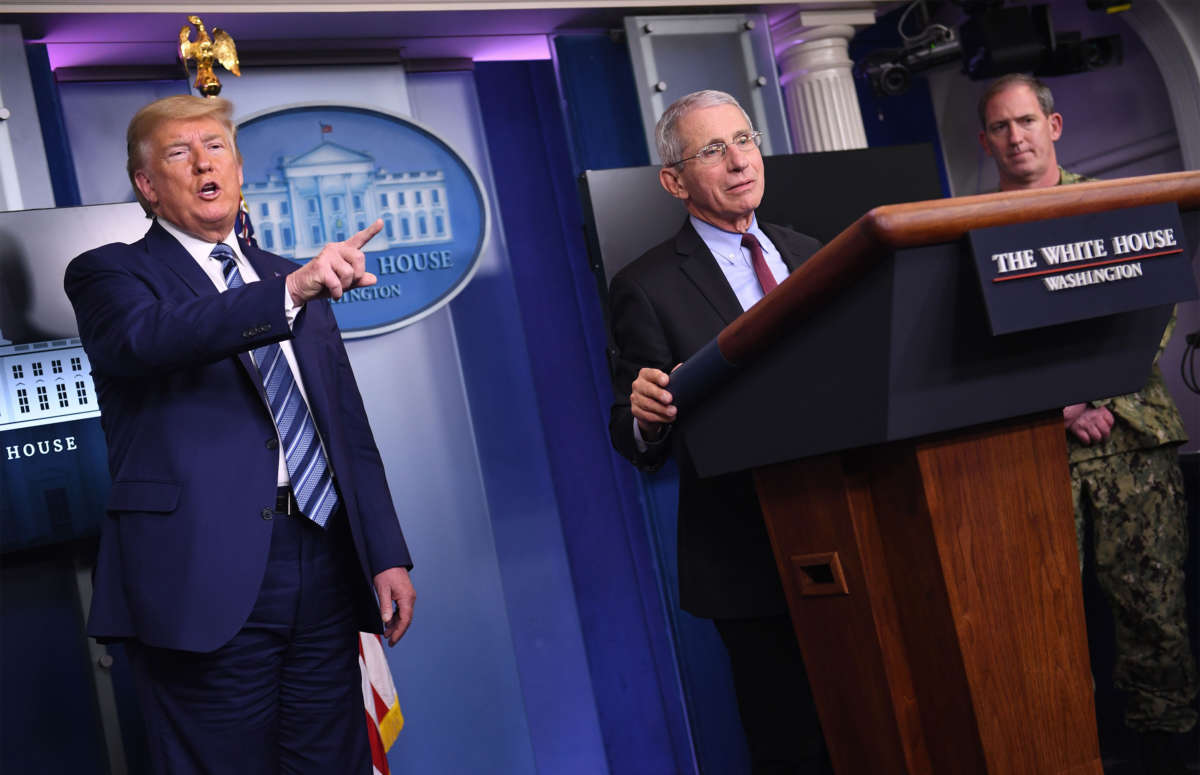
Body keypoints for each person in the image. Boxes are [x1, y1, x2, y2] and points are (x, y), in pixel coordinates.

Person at [64, 95, 415, 774]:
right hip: (201, 575)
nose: (204, 162)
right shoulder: (111, 274)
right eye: (178, 152)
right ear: (146, 185)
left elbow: (342, 423)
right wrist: (289, 294)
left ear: (238, 165)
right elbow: (150, 340)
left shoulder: (288, 272)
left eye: (216, 147)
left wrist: (385, 551)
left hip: (321, 558)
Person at [978, 72, 1198, 774]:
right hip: (1034, 453)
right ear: (987, 141)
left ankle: (1170, 760)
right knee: (1044, 629)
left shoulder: (1114, 205)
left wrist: (1095, 394)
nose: (1016, 136)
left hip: (1132, 438)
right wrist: (1060, 407)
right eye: (1001, 127)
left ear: (1055, 126)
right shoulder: (966, 231)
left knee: (1155, 616)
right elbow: (979, 343)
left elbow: (1149, 310)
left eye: (1026, 121)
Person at [606, 90, 827, 774]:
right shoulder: (645, 285)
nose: (738, 161)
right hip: (748, 552)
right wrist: (644, 418)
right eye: (713, 150)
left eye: (745, 140)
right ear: (675, 181)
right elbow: (632, 424)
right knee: (792, 742)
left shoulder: (814, 253)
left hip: (851, 523)